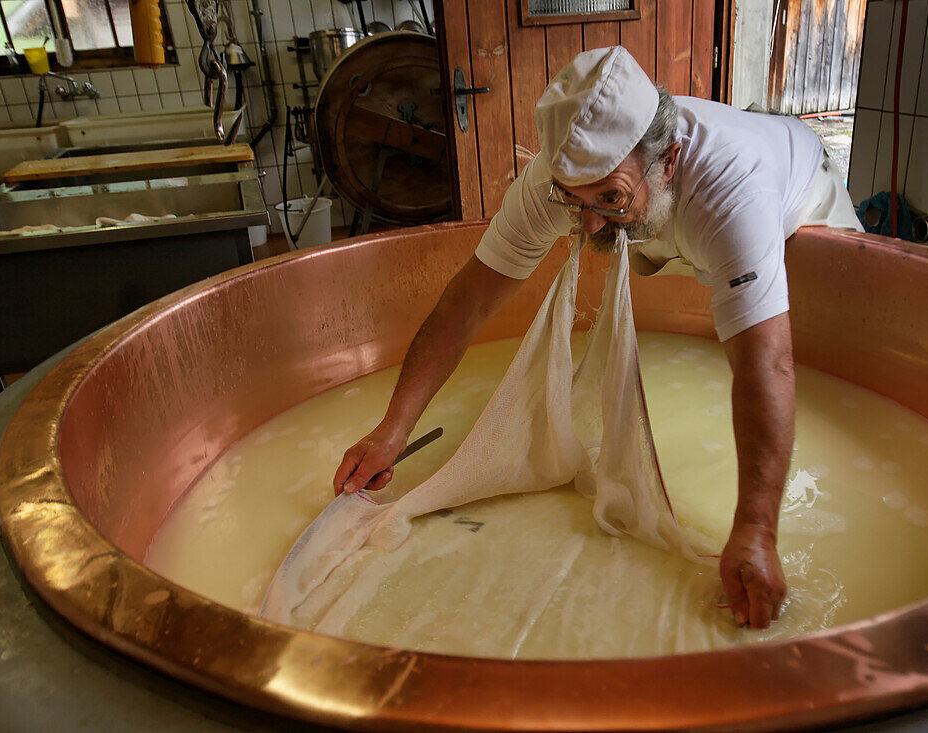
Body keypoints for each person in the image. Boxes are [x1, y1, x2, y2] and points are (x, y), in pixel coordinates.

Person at [332, 46, 862, 630]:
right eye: (572, 199)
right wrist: (392, 429)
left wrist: (757, 531)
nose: (585, 226)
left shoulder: (732, 193)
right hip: (669, 216)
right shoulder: (557, 183)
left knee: (819, 352)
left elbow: (770, 365)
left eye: (609, 198)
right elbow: (469, 302)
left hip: (802, 200)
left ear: (668, 161)